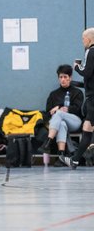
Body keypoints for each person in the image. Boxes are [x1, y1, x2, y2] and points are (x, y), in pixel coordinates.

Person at [60, 28, 94, 169]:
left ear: (90, 39)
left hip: (93, 99)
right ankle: (74, 160)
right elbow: (90, 79)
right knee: (87, 129)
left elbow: (87, 72)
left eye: (83, 38)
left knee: (87, 130)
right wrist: (74, 83)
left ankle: (74, 160)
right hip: (92, 97)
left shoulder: (91, 52)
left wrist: (76, 67)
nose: (82, 41)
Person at [38, 65, 83, 166]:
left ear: (70, 78)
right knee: (61, 123)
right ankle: (61, 156)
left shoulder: (78, 92)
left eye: (65, 77)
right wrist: (53, 112)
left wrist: (60, 109)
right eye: (61, 77)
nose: (63, 80)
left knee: (59, 114)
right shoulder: (53, 94)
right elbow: (48, 112)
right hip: (58, 123)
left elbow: (77, 108)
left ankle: (47, 142)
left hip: (75, 121)